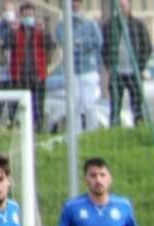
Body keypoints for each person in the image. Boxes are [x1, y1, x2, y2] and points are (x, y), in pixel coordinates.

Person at [55, 0, 103, 133]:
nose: (74, 5)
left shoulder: (90, 24)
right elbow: (63, 42)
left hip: (88, 69)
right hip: (72, 70)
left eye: (77, 2)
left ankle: (93, 132)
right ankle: (75, 134)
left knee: (89, 103)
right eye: (72, 3)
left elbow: (97, 42)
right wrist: (78, 44)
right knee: (74, 104)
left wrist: (78, 43)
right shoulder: (61, 25)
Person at [102, 0, 151, 125]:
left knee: (137, 104)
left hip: (134, 72)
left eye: (123, 6)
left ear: (129, 7)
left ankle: (139, 127)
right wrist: (109, 66)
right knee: (115, 104)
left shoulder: (138, 25)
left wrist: (141, 66)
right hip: (117, 72)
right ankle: (114, 129)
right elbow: (104, 48)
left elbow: (147, 46)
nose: (121, 9)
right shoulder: (109, 25)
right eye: (119, 6)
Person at [9, 2, 54, 133]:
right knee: (20, 104)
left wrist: (45, 31)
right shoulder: (16, 32)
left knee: (39, 104)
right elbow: (7, 45)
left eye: (30, 14)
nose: (28, 17)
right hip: (20, 75)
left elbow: (51, 45)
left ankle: (38, 129)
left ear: (34, 15)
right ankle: (20, 128)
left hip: (38, 73)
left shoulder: (40, 31)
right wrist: (12, 31)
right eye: (25, 14)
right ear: (21, 16)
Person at [0, 1, 19, 126]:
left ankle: (13, 123)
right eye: (5, 10)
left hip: (15, 71)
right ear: (1, 12)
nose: (8, 13)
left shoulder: (19, 27)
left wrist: (14, 31)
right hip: (0, 71)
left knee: (15, 101)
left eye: (10, 10)